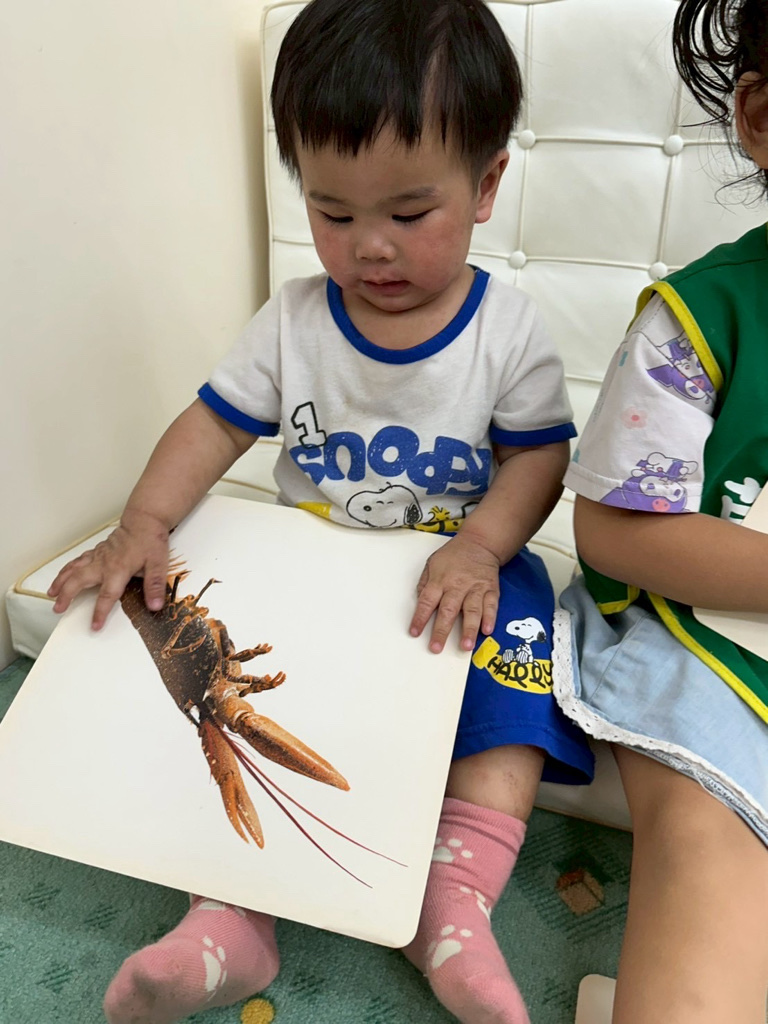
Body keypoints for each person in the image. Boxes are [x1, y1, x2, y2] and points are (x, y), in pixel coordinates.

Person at [49, 2, 594, 1021]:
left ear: (485, 187)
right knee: (228, 692)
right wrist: (144, 522)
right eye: (334, 214)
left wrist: (483, 545)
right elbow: (212, 426)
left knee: (517, 669)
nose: (369, 248)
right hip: (315, 561)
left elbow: (538, 459)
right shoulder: (294, 320)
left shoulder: (507, 331)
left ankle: (452, 902)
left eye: (408, 213)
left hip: (456, 569)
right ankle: (231, 912)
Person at [556, 1, 768, 1021]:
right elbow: (612, 528)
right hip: (694, 640)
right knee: (707, 837)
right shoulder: (700, 318)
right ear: (762, 121)